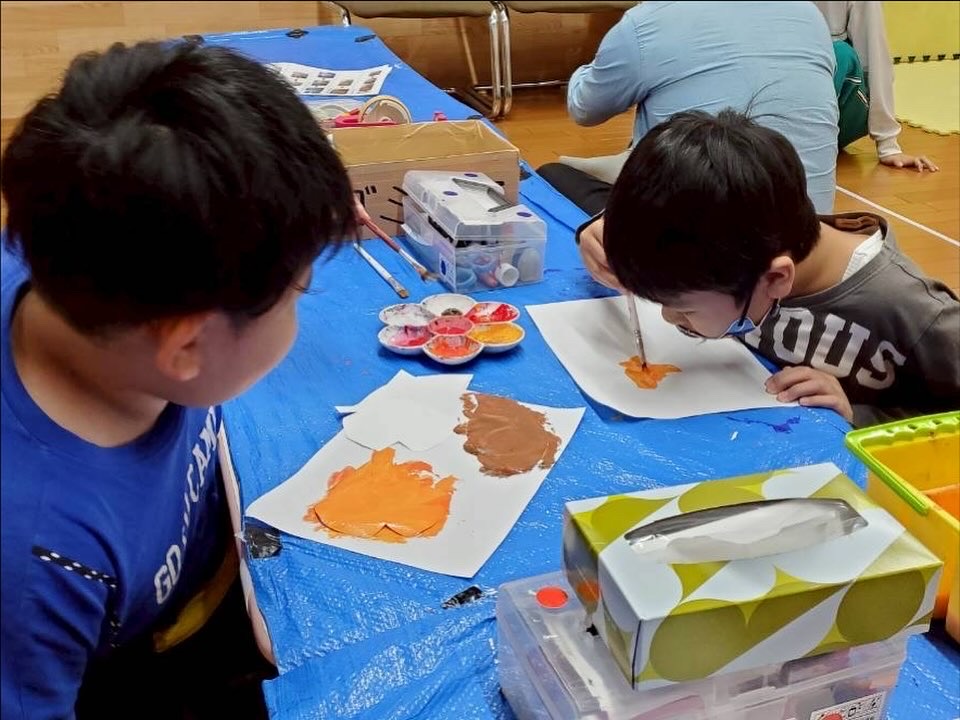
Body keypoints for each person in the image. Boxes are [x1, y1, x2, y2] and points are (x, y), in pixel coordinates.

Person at [0, 40, 356, 718]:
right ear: (186, 346)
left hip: (210, 571)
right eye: (300, 290)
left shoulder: (69, 243)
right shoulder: (37, 568)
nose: (303, 304)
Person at [577, 110, 959, 427]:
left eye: (684, 309)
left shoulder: (916, 312)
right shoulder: (744, 244)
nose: (667, 317)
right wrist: (603, 233)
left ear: (776, 279)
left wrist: (860, 416)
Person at [538, 1, 840, 216]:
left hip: (704, 255)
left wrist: (587, 67)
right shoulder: (808, 13)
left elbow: (584, 108)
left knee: (549, 179)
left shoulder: (645, 24)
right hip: (812, 232)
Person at [813, 1, 940, 172]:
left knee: (842, 55)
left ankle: (806, 142)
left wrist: (888, 145)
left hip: (827, 108)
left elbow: (874, 56)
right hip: (781, 114)